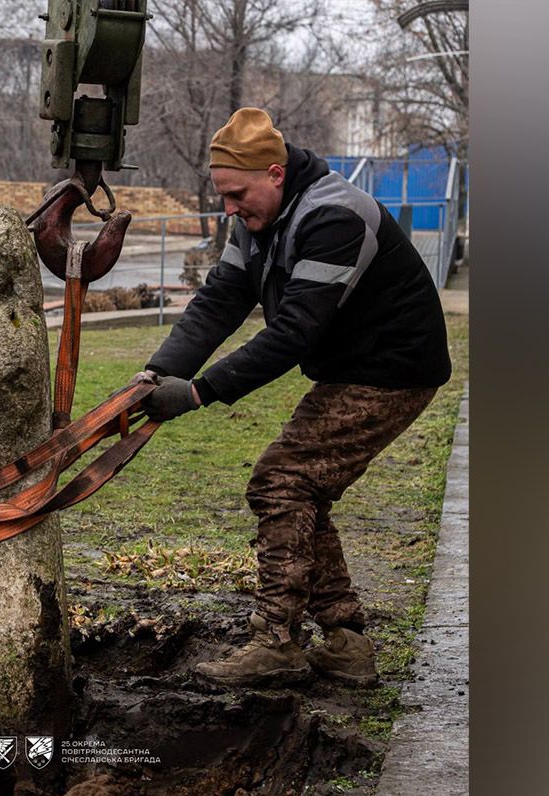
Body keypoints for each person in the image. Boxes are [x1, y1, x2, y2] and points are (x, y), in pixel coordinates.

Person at [137, 108, 452, 687]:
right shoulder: (255, 222)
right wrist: (156, 376)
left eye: (236, 194)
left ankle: (276, 641)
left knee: (280, 481)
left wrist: (200, 392)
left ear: (276, 174)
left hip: (392, 371)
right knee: (302, 488)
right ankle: (345, 640)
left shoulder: (336, 215)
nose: (229, 208)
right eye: (224, 196)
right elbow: (219, 302)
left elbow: (293, 332)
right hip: (348, 368)